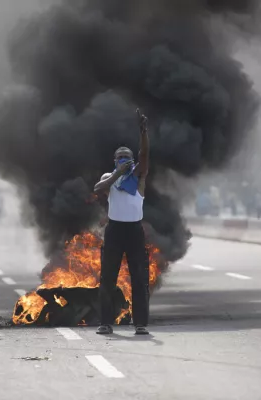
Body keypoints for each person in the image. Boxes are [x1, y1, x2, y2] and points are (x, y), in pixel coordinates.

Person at [93, 109, 150, 335]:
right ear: (114, 160)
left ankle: (140, 324)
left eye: (127, 156)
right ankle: (105, 322)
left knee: (139, 278)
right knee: (108, 278)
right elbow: (97, 189)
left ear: (133, 159)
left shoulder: (139, 177)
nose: (124, 158)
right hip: (114, 231)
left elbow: (145, 155)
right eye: (120, 156)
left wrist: (143, 132)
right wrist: (117, 173)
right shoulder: (109, 178)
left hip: (134, 231)